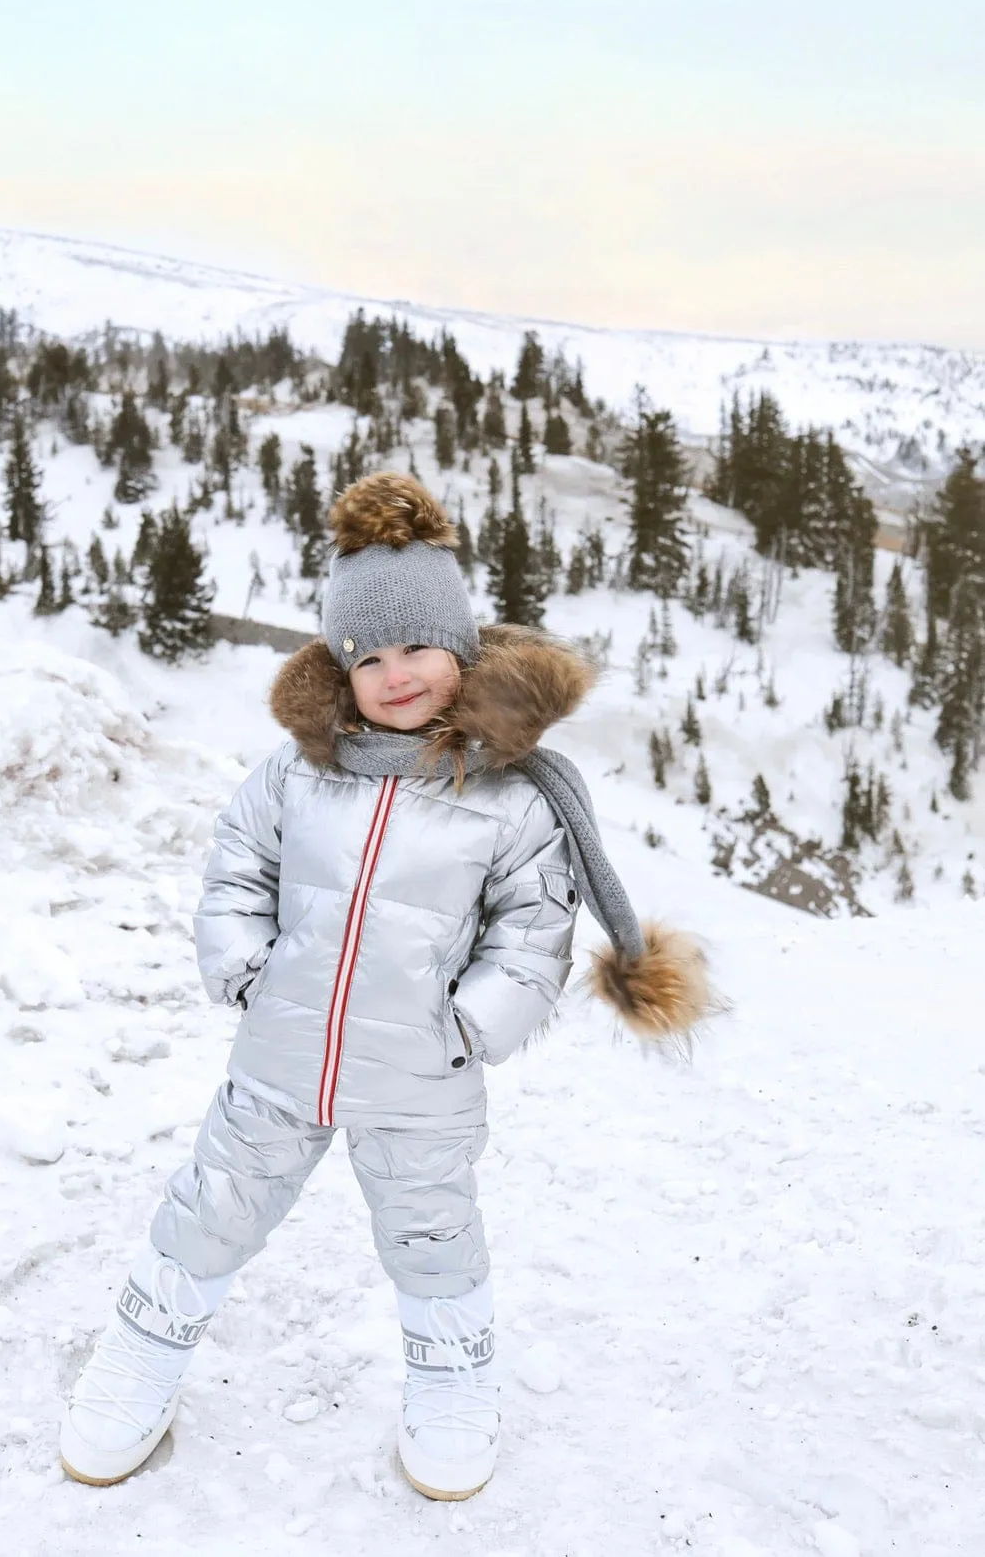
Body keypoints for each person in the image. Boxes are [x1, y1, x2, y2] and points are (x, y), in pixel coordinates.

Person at [59, 472, 713, 1501]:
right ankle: (144, 1348)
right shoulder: (297, 772)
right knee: (214, 1202)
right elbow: (240, 864)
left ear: (459, 648)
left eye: (415, 647)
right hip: (281, 1054)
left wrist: (470, 1024)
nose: (396, 674)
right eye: (368, 656)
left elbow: (534, 931)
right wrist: (241, 960)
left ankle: (451, 1376)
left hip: (423, 1070)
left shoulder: (509, 800)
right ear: (340, 668)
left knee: (432, 1226)